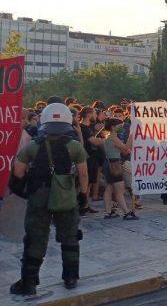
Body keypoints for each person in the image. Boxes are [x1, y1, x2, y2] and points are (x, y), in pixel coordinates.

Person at [9, 103, 89, 294]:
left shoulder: (33, 145)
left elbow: (18, 171)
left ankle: (29, 283)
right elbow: (84, 174)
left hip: (39, 197)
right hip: (66, 197)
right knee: (70, 237)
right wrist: (83, 196)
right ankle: (70, 278)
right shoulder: (75, 146)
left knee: (35, 238)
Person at [101, 118, 137, 220]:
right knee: (120, 190)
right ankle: (126, 212)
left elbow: (123, 151)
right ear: (113, 127)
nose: (122, 127)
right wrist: (131, 135)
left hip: (109, 164)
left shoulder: (109, 138)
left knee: (109, 188)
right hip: (114, 165)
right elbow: (126, 148)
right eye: (119, 125)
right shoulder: (113, 138)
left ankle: (108, 212)